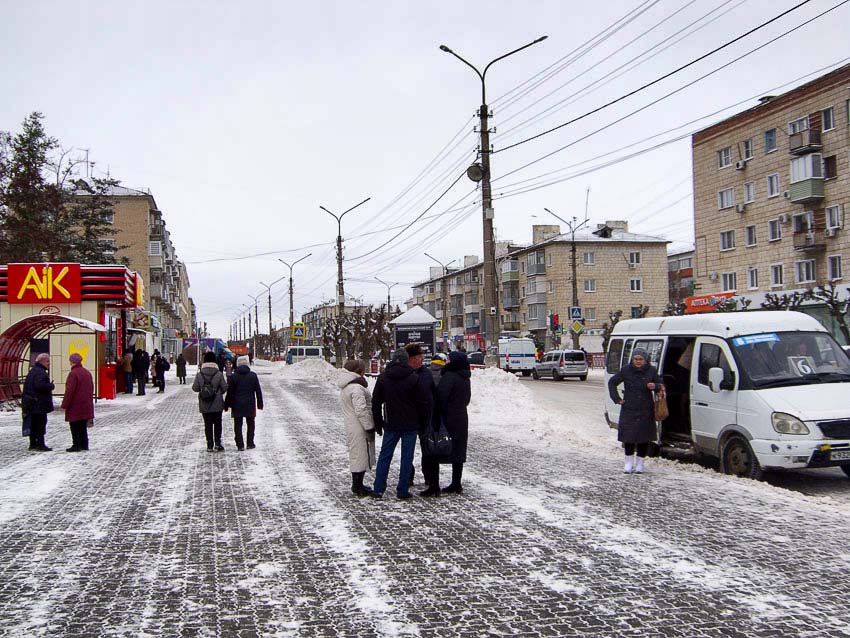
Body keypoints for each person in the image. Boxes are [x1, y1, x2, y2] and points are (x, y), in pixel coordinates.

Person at [370, 349, 430, 499]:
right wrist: (424, 423)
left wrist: (378, 423)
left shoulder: (384, 378)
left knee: (385, 456)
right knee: (406, 457)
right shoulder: (414, 378)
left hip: (391, 424)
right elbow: (423, 403)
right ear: (405, 360)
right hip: (410, 424)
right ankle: (402, 490)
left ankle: (378, 489)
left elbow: (376, 402)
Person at [607, 348, 663, 474]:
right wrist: (617, 399)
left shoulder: (652, 371)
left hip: (646, 408)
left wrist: (655, 386)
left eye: (640, 359)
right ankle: (628, 462)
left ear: (645, 360)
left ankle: (640, 463)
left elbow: (661, 384)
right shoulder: (626, 370)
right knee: (629, 437)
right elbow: (612, 383)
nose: (638, 362)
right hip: (629, 408)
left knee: (644, 437)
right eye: (635, 359)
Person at [434, 351, 472, 494]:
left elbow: (441, 396)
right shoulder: (465, 377)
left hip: (447, 417)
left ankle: (433, 483)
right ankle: (456, 482)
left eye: (450, 360)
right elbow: (467, 399)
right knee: (459, 449)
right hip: (461, 416)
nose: (448, 362)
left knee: (439, 446)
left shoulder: (449, 376)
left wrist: (439, 412)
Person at [337, 360, 376, 496]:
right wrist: (369, 426)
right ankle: (358, 485)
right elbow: (361, 410)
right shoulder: (356, 389)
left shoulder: (347, 387)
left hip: (351, 424)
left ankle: (358, 483)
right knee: (360, 455)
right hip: (359, 426)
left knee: (356, 454)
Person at [405, 343, 437, 495]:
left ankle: (429, 476)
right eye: (418, 356)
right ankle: (408, 475)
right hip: (409, 417)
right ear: (411, 358)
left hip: (425, 417)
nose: (422, 359)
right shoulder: (404, 373)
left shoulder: (426, 373)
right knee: (408, 449)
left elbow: (433, 392)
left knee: (427, 448)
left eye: (422, 356)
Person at [224, 355, 263, 451]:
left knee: (238, 424)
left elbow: (230, 392)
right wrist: (260, 404)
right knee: (250, 423)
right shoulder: (253, 376)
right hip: (250, 403)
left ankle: (240, 444)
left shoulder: (233, 377)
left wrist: (226, 405)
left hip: (237, 404)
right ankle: (250, 443)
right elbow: (258, 390)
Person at [193, 351, 228, 451]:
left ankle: (209, 445)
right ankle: (217, 443)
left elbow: (195, 388)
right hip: (217, 404)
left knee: (207, 424)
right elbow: (225, 388)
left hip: (204, 403)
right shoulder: (219, 374)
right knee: (218, 423)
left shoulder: (200, 374)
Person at [60, 353, 94, 452]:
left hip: (75, 404)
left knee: (74, 425)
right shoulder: (87, 372)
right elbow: (91, 388)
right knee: (82, 425)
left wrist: (65, 404)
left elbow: (70, 391)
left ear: (72, 362)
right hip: (85, 403)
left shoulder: (73, 374)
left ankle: (76, 444)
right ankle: (84, 444)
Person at [22, 353, 55, 451]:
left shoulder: (33, 370)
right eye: (48, 362)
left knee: (33, 423)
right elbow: (40, 386)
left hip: (32, 403)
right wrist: (50, 386)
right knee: (40, 424)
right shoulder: (40, 372)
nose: (49, 364)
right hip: (39, 404)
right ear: (43, 362)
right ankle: (40, 444)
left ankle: (33, 444)